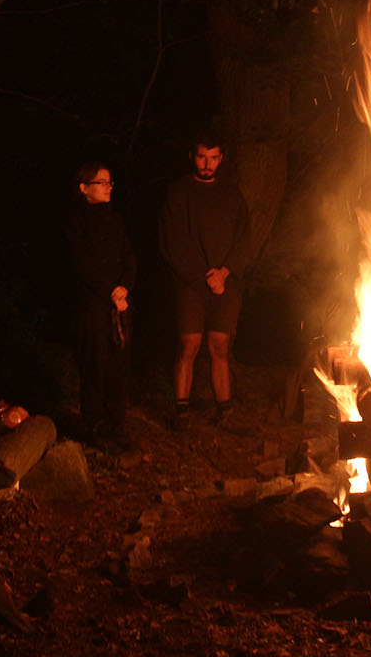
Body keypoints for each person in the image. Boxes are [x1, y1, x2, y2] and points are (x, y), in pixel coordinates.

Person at [158, 135, 250, 425]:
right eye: (201, 157)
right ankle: (181, 410)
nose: (207, 163)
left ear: (221, 158)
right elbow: (171, 241)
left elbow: (245, 239)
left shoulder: (232, 195)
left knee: (220, 346)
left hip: (225, 284)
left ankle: (226, 411)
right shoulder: (179, 193)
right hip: (190, 285)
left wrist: (224, 272)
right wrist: (203, 276)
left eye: (213, 157)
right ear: (192, 157)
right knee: (189, 345)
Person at [66, 161, 136, 452]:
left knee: (118, 365)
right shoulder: (75, 221)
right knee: (95, 363)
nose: (109, 187)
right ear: (84, 188)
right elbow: (81, 264)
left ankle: (116, 424)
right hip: (93, 305)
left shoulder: (115, 220)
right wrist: (108, 290)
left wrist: (124, 285)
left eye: (110, 182)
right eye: (102, 182)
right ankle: (95, 425)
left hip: (118, 304)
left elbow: (129, 256)